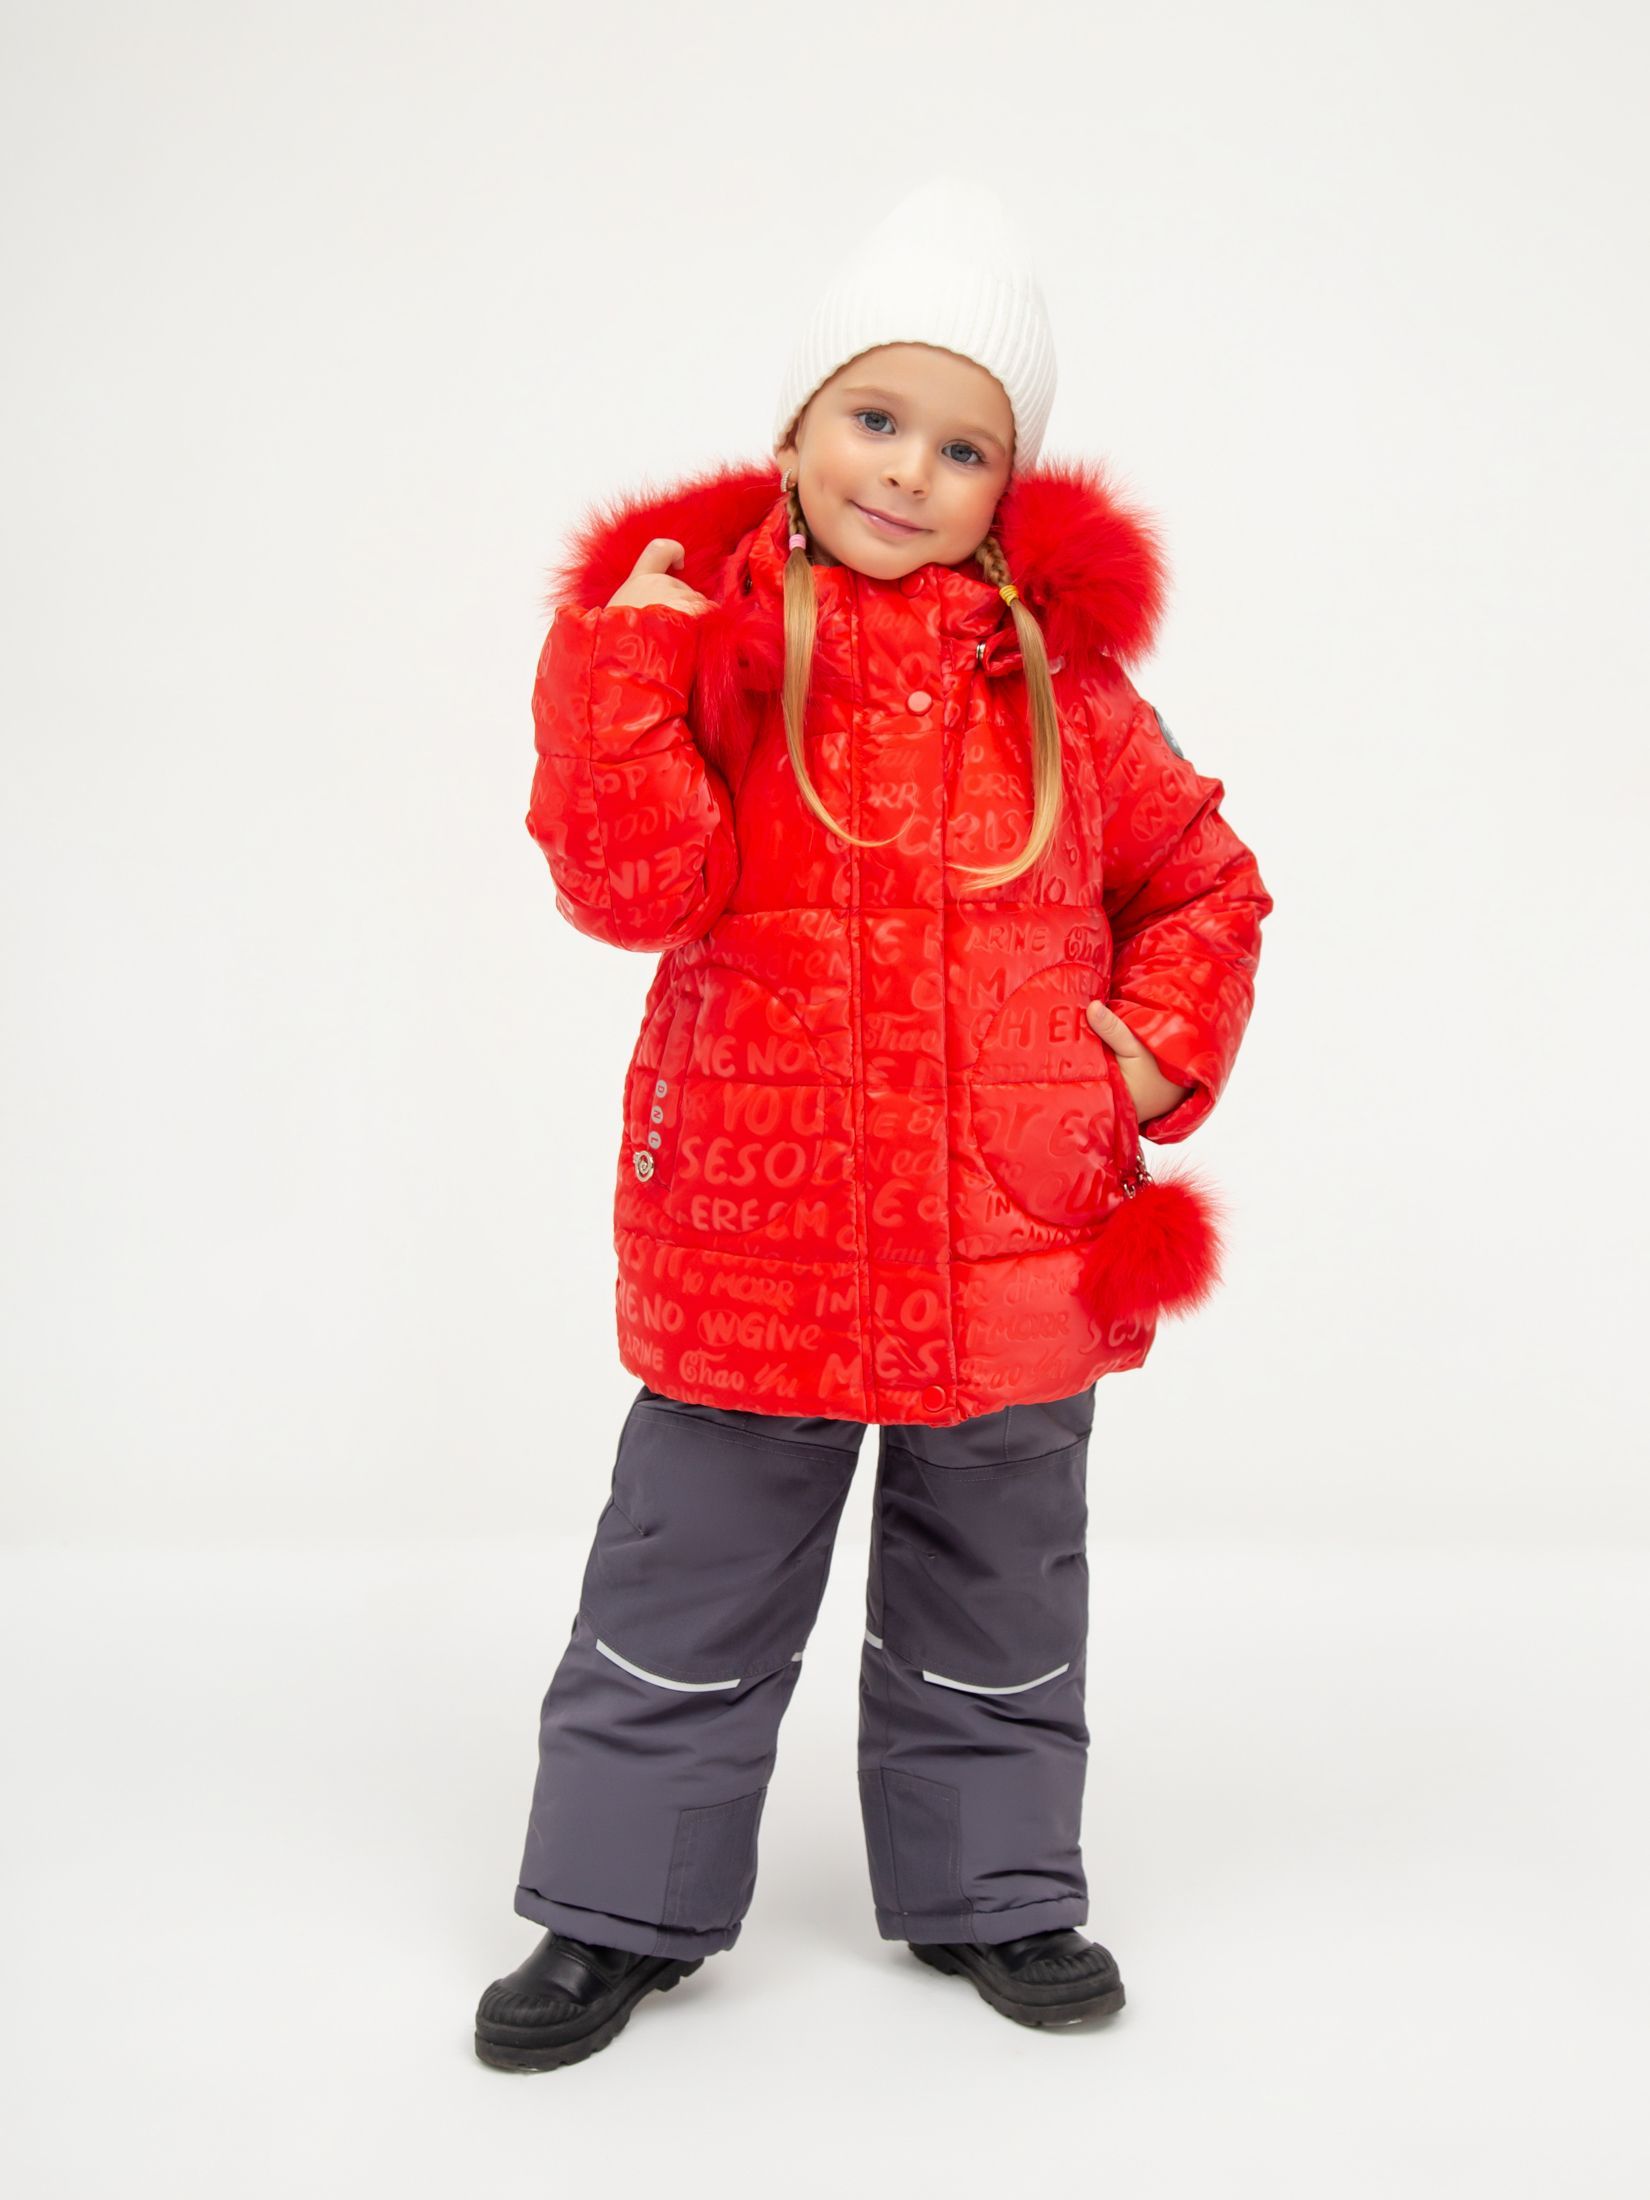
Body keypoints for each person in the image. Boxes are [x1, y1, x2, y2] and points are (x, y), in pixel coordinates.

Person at [475, 177, 1275, 2072]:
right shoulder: (712, 652)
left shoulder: (1064, 692)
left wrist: (1148, 1053)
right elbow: (631, 889)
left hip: (1013, 1232)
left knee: (1001, 1585)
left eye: (963, 445)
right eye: (874, 416)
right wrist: (617, 670)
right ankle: (615, 1911)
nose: (909, 470)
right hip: (754, 1239)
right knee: (686, 1577)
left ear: (1013, 484)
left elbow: (1203, 880)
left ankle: (994, 1894)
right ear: (795, 426)